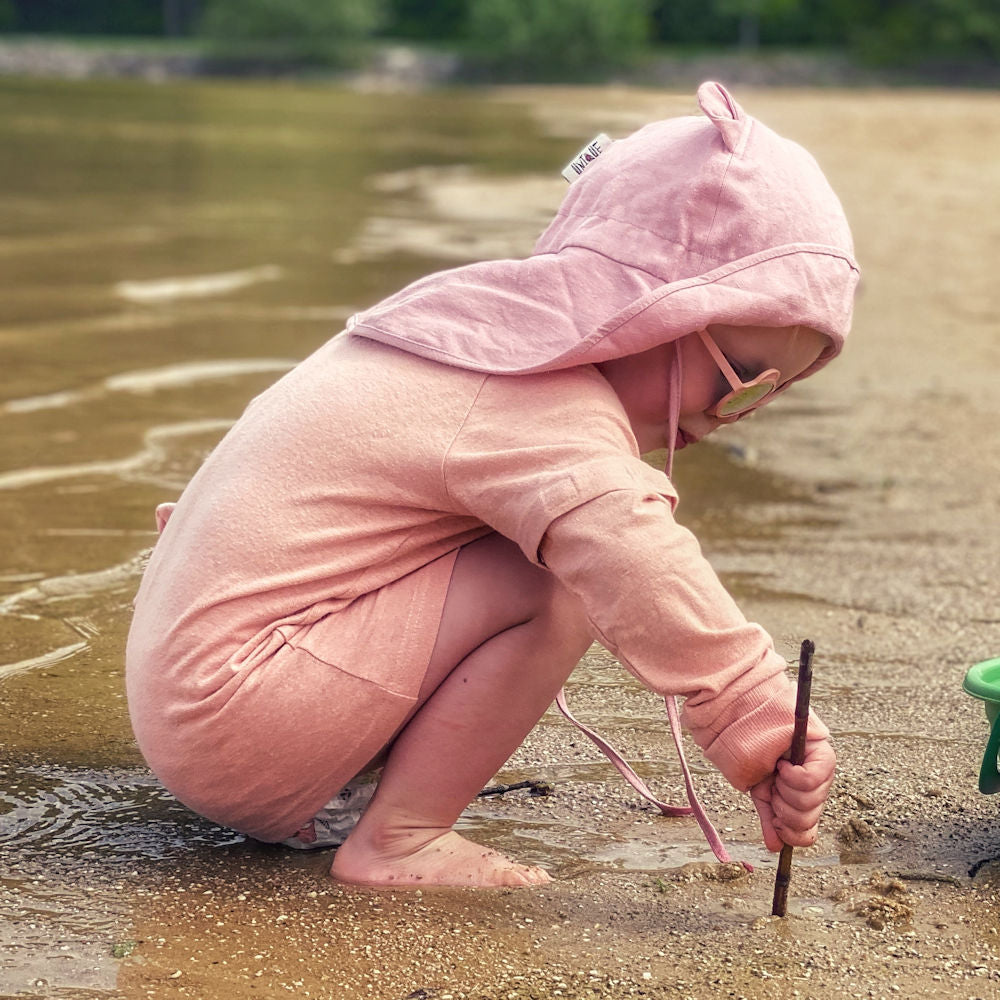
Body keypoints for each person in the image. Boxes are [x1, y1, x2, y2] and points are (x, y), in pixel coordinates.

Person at [126, 82, 860, 889]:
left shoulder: (466, 336)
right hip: (241, 722)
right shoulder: (539, 402)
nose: (731, 419)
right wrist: (758, 722)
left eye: (769, 398)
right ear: (656, 312)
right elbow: (637, 557)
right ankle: (399, 837)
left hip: (200, 695)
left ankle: (361, 795)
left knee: (534, 538)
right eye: (741, 382)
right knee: (564, 579)